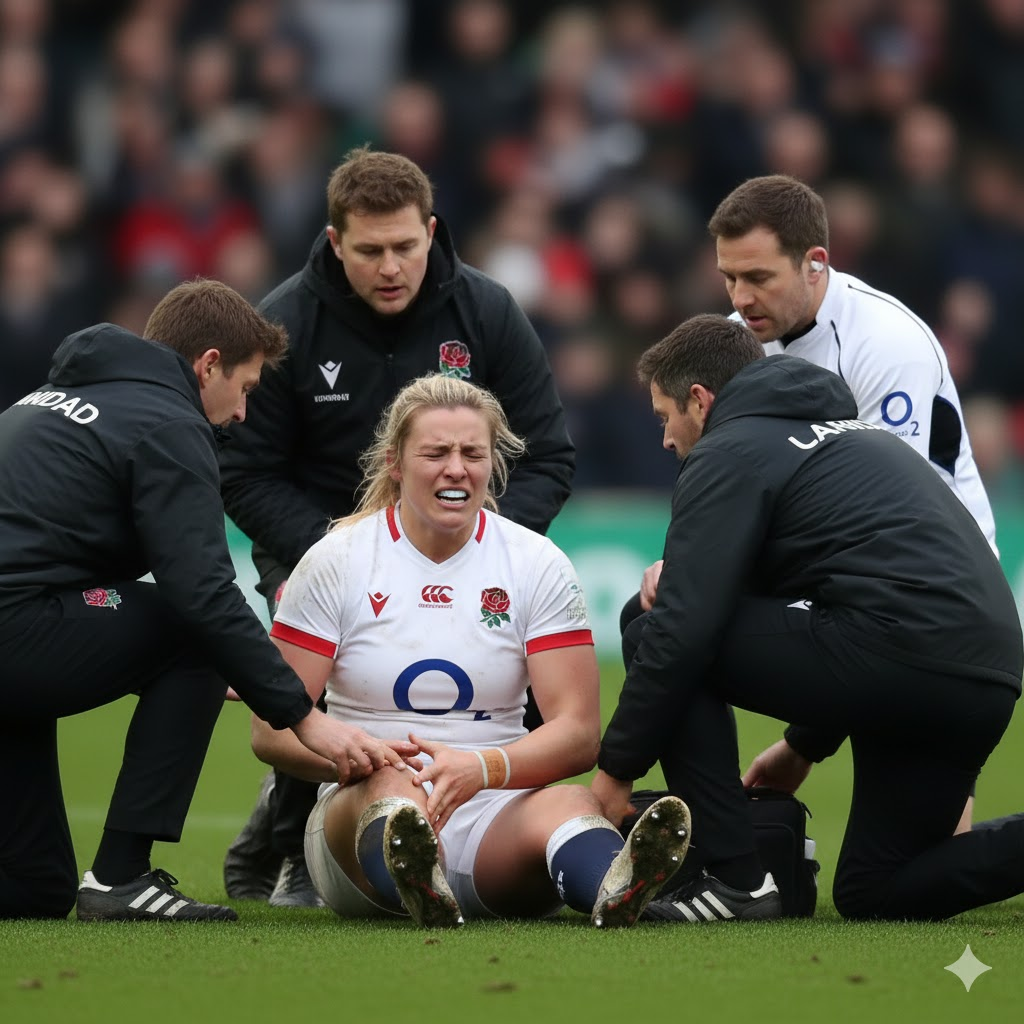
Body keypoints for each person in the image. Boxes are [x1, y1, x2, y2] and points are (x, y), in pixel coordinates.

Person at [219, 145, 575, 907]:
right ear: (335, 241)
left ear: (432, 231)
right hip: (316, 543)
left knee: (516, 689)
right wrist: (339, 551)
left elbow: (548, 454)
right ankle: (296, 844)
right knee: (308, 690)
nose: (390, 267)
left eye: (406, 247)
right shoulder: (284, 321)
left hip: (469, 539)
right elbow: (244, 471)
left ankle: (506, 841)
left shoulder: (488, 311)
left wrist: (488, 545)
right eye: (370, 251)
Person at [0, 278, 419, 922]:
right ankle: (121, 878)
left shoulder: (56, 398)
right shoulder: (169, 422)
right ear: (208, 365)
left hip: (22, 634)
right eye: (246, 388)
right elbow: (201, 592)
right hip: (17, 624)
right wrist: (303, 716)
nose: (244, 412)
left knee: (33, 887)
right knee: (193, 637)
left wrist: (242, 666)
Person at [593, 313, 1024, 923]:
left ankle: (735, 880)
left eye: (665, 416)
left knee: (650, 631)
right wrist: (804, 744)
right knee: (875, 890)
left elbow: (683, 631)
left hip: (900, 654)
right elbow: (857, 588)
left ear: (701, 400)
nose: (664, 438)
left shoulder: (728, 450)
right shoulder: (858, 434)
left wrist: (616, 769)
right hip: (986, 674)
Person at [249, 373, 689, 928]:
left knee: (571, 804)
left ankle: (614, 886)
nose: (456, 468)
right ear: (394, 463)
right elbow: (271, 732)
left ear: (492, 464)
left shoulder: (536, 563)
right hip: (357, 810)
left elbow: (578, 733)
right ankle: (413, 874)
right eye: (436, 453)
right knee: (394, 789)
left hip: (493, 806)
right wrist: (368, 755)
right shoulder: (336, 560)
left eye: (473, 454)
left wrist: (482, 767)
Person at [629, 174, 997, 833]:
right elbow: (730, 490)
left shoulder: (886, 345)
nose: (740, 298)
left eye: (759, 277)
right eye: (728, 278)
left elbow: (891, 523)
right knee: (885, 882)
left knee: (937, 846)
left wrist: (805, 740)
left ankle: (730, 855)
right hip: (853, 592)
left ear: (815, 262)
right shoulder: (740, 343)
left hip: (934, 600)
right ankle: (726, 841)